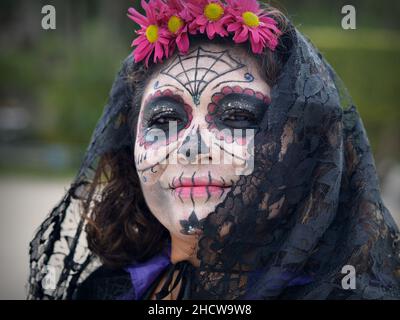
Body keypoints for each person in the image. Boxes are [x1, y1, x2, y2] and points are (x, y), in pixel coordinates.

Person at [28, 0, 400, 300]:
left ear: (301, 145)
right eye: (164, 120)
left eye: (237, 117)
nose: (193, 148)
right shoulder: (101, 291)